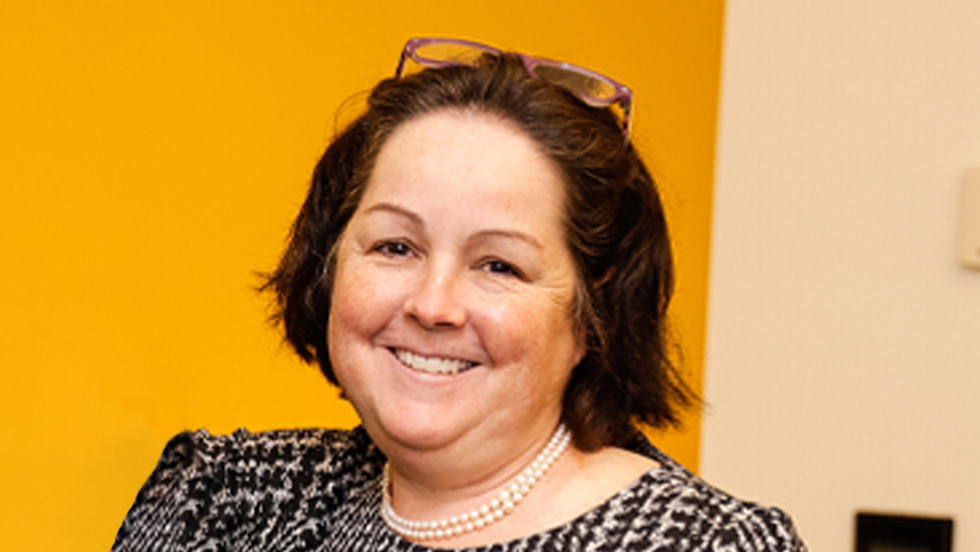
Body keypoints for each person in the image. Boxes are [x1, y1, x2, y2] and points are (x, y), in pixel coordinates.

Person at [112, 37, 807, 551]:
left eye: (499, 265)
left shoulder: (704, 544)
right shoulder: (221, 498)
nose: (432, 304)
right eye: (395, 247)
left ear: (593, 312)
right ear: (329, 264)